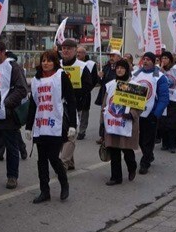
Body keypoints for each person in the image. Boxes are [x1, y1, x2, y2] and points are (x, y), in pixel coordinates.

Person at [25, 50, 75, 202]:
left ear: (55, 62)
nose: (46, 63)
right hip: (41, 125)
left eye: (49, 60)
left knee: (53, 158)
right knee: (41, 160)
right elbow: (33, 105)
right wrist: (28, 126)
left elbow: (71, 100)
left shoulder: (61, 77)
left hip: (56, 124)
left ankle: (64, 183)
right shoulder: (36, 80)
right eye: (43, 60)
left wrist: (72, 124)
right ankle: (44, 191)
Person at [0, 42, 28, 192]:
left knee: (11, 147)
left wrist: (6, 104)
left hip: (7, 115)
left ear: (3, 52)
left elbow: (22, 89)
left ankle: (12, 176)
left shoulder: (13, 67)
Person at [102, 59, 142, 185]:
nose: (119, 70)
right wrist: (102, 121)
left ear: (127, 70)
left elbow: (139, 106)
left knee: (126, 149)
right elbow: (105, 104)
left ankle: (132, 167)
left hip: (127, 123)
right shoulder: (110, 85)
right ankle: (116, 177)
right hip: (112, 123)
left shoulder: (134, 85)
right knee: (114, 150)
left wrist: (132, 114)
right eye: (117, 68)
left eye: (122, 68)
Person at [59, 38, 96, 169]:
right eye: (64, 48)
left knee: (71, 133)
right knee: (62, 133)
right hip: (57, 106)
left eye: (69, 49)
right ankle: (70, 162)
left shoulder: (82, 67)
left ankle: (63, 162)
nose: (66, 51)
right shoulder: (57, 65)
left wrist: (75, 96)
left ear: (75, 51)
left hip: (74, 105)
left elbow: (88, 85)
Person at [131, 52, 169, 174]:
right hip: (137, 113)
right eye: (144, 59)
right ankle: (149, 155)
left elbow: (164, 98)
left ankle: (145, 163)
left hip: (151, 113)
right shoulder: (135, 74)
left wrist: (156, 113)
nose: (145, 61)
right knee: (140, 140)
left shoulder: (159, 77)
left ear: (153, 61)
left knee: (148, 139)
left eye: (148, 59)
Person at [158, 52, 176, 153]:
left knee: (172, 124)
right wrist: (161, 71)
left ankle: (173, 145)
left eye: (166, 58)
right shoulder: (158, 70)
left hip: (173, 100)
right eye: (162, 58)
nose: (164, 60)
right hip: (162, 100)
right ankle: (165, 144)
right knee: (163, 123)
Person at [95, 50, 122, 143]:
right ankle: (102, 136)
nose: (111, 57)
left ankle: (115, 136)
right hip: (105, 95)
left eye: (113, 56)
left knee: (115, 116)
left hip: (117, 96)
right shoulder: (106, 67)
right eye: (110, 56)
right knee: (103, 115)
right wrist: (99, 76)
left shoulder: (121, 68)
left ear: (118, 57)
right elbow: (100, 82)